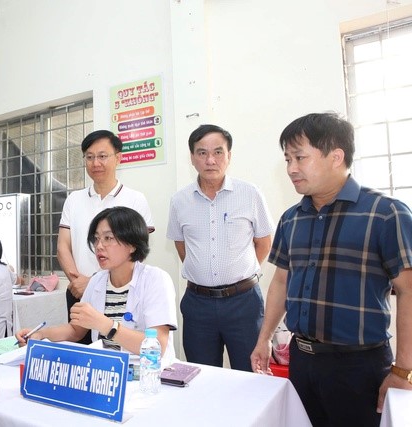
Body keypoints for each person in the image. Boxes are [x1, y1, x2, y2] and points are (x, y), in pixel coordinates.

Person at [250, 112, 412, 427]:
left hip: (358, 367)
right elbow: (281, 282)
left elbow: (408, 291)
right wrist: (264, 338)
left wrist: (403, 370)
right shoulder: (291, 218)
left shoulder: (385, 214)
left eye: (300, 157)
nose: (291, 168)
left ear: (336, 157)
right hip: (302, 360)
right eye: (287, 159)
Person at [167, 124, 274, 371]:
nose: (210, 160)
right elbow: (181, 245)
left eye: (218, 152)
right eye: (202, 153)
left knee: (250, 374)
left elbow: (264, 242)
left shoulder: (250, 194)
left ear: (229, 155)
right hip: (198, 304)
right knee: (201, 376)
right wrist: (203, 273)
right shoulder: (179, 201)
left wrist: (239, 274)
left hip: (244, 303)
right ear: (192, 157)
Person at [18, 206, 177, 364]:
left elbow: (158, 346)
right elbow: (75, 330)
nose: (99, 246)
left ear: (132, 245)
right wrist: (40, 334)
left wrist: (106, 325)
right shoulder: (97, 281)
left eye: (108, 238)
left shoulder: (155, 279)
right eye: (96, 238)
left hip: (149, 372)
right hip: (105, 369)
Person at [57, 130, 154, 344]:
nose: (95, 163)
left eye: (102, 156)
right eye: (89, 157)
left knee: (118, 348)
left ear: (118, 158)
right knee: (80, 350)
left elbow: (138, 249)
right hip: (77, 290)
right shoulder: (74, 199)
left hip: (120, 292)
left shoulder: (135, 199)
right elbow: (63, 246)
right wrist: (79, 283)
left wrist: (93, 283)